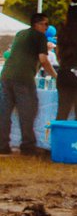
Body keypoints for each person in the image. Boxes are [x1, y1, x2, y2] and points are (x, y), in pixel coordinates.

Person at [0, 13, 55, 155]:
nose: (47, 27)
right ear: (37, 24)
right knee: (28, 111)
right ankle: (28, 145)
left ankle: (2, 144)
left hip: (6, 75)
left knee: (4, 112)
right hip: (23, 77)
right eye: (45, 24)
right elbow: (43, 60)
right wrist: (56, 76)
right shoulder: (40, 36)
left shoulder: (20, 34)